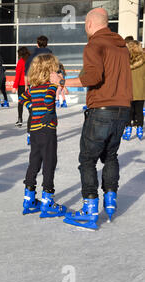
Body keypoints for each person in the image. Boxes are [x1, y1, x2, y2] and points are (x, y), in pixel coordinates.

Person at [51, 8, 132, 230]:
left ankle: (89, 208)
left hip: (102, 109)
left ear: (89, 24)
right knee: (111, 155)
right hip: (122, 110)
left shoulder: (95, 44)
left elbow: (93, 77)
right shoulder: (121, 47)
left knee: (87, 159)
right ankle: (110, 198)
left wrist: (61, 81)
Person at [20, 54, 68, 219]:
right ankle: (48, 200)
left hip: (34, 130)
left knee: (34, 161)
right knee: (49, 162)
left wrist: (32, 107)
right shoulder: (49, 87)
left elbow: (22, 98)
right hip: (47, 130)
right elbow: (49, 100)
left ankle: (29, 198)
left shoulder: (33, 87)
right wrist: (49, 108)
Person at [122, 40, 145, 141]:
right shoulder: (144, 60)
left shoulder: (125, 61)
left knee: (128, 111)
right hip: (141, 90)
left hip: (128, 90)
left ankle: (128, 129)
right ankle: (139, 128)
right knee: (139, 111)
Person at [12, 46, 30, 127]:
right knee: (30, 102)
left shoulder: (21, 62)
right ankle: (33, 118)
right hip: (30, 85)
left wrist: (14, 86)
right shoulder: (31, 61)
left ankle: (20, 120)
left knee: (20, 103)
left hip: (22, 85)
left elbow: (18, 75)